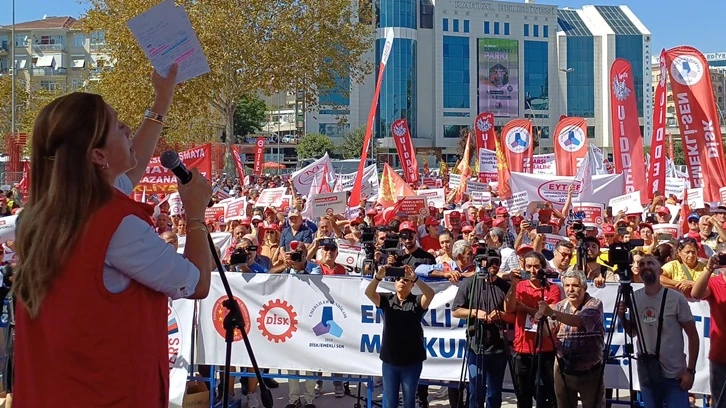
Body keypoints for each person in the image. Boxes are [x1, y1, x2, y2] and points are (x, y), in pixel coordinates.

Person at [13, 65, 216, 406]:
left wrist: (162, 101)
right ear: (98, 155)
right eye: (118, 125)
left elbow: (132, 168)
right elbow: (196, 283)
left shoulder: (43, 214)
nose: (127, 129)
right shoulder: (116, 224)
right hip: (110, 394)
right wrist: (196, 214)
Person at [617, 255, 699, 407]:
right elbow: (632, 332)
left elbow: (693, 336)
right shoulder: (634, 298)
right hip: (648, 371)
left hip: (675, 375)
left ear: (660, 270)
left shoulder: (676, 299)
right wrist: (622, 316)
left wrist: (690, 371)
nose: (646, 266)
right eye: (642, 264)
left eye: (650, 263)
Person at [451, 240, 513, 408]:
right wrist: (474, 313)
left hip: (498, 347)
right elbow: (455, 310)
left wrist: (501, 315)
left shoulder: (504, 286)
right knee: (476, 391)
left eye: (497, 262)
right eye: (491, 262)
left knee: (494, 394)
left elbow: (513, 316)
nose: (494, 266)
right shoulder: (469, 283)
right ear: (482, 262)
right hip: (476, 346)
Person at [364, 264, 435, 408]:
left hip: (412, 361)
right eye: (398, 279)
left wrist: (416, 278)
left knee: (409, 401)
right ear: (394, 283)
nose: (402, 281)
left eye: (406, 279)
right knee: (390, 402)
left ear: (411, 284)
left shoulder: (416, 301)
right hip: (390, 360)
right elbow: (369, 293)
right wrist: (378, 277)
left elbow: (430, 294)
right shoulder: (387, 300)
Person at [537, 270, 605, 408]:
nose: (570, 289)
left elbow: (579, 321)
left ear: (584, 287)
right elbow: (546, 333)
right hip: (563, 369)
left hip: (590, 370)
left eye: (575, 285)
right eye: (567, 285)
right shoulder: (560, 306)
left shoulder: (594, 304)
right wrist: (541, 319)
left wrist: (552, 313)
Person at [504, 251, 562, 408]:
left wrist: (523, 307)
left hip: (546, 348)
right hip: (523, 347)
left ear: (543, 267)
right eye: (528, 266)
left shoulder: (553, 288)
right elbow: (509, 308)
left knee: (548, 395)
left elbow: (548, 312)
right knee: (523, 395)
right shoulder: (519, 286)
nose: (532, 270)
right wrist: (513, 285)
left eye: (536, 266)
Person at [690, 247, 726, 406]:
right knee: (720, 402)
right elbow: (696, 294)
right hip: (720, 355)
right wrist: (709, 269)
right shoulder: (715, 282)